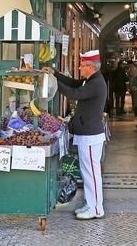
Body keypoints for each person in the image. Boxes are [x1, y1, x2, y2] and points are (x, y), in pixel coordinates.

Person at [53, 50, 107, 220]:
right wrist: (55, 74)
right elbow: (75, 84)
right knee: (87, 172)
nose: (79, 67)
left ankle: (97, 209)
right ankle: (91, 204)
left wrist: (54, 82)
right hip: (86, 133)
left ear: (90, 67)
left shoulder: (96, 83)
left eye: (82, 65)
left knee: (92, 173)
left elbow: (74, 94)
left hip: (91, 136)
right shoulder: (90, 80)